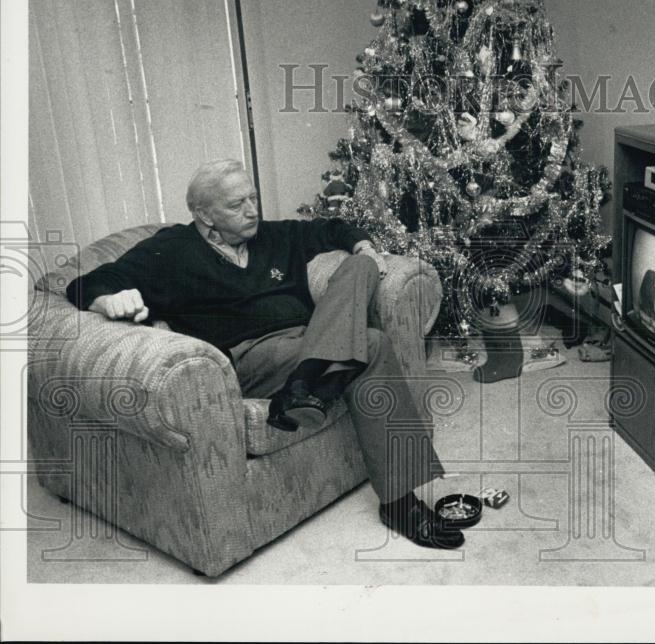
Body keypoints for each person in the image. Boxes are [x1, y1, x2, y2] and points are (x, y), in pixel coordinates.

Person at [65, 159, 464, 550]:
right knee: (372, 344)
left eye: (252, 197)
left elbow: (334, 228)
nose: (252, 210)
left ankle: (307, 382)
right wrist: (107, 300)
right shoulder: (170, 251)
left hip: (310, 337)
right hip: (248, 356)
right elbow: (85, 283)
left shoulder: (273, 236)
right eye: (237, 205)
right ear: (204, 215)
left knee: (361, 267)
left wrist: (363, 245)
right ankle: (400, 503)